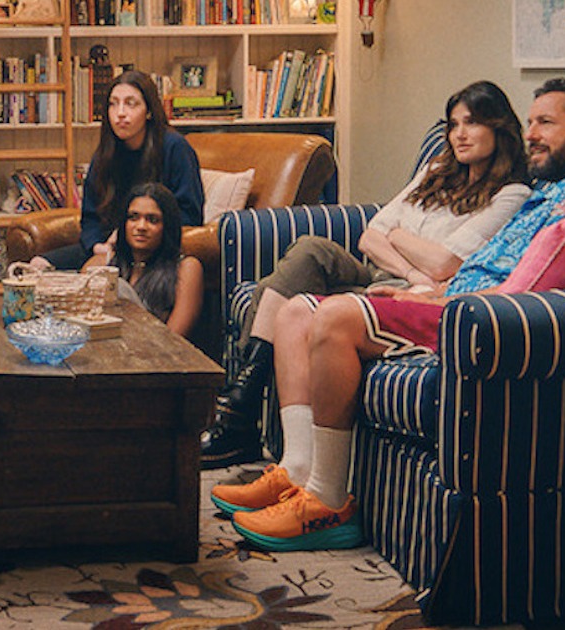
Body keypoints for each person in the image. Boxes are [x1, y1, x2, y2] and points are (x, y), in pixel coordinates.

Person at [212, 78, 565, 551]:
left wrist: (443, 297)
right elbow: (459, 256)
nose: (531, 133)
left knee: (334, 318)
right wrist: (438, 287)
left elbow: (538, 279)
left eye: (546, 123)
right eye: (531, 122)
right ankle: (296, 469)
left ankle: (327, 502)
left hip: (478, 315)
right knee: (294, 312)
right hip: (454, 296)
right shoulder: (550, 191)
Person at [202, 80, 533, 468]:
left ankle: (239, 415)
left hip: (410, 293)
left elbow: (445, 263)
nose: (459, 134)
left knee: (280, 296)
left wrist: (398, 239)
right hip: (388, 275)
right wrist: (410, 265)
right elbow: (371, 234)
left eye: (472, 123)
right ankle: (243, 399)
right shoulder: (436, 170)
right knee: (309, 250)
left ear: (499, 127)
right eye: (454, 124)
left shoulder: (512, 194)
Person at [31, 70, 205, 271]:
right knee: (37, 265)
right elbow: (90, 216)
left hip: (155, 249)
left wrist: (130, 232)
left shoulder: (175, 147)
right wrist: (97, 245)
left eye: (131, 104)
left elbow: (190, 215)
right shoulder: (105, 152)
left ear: (149, 111)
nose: (120, 113)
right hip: (109, 247)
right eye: (113, 104)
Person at [90, 182, 203, 338]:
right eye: (133, 217)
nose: (141, 226)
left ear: (167, 226)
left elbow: (173, 339)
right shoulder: (101, 264)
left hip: (159, 349)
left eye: (152, 220)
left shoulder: (186, 268)